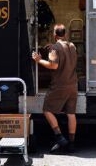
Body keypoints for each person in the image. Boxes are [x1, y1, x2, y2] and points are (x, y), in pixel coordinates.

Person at [32, 24, 78, 153]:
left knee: (47, 109)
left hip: (60, 85)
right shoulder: (72, 46)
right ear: (65, 34)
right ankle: (72, 144)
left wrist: (38, 60)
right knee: (71, 114)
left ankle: (59, 137)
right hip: (73, 84)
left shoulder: (54, 48)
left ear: (54, 35)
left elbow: (53, 66)